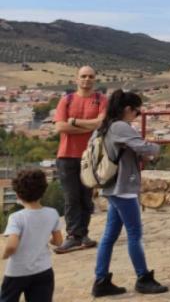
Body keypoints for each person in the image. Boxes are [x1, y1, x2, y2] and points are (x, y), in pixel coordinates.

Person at [91, 89, 168, 296]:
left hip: (111, 186)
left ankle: (101, 280)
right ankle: (143, 277)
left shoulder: (106, 125)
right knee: (135, 233)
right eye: (137, 111)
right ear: (127, 109)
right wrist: (156, 147)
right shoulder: (120, 126)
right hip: (123, 187)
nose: (138, 116)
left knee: (110, 235)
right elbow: (146, 148)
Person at [52, 65, 107, 253]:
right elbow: (60, 127)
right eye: (83, 76)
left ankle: (82, 234)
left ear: (95, 79)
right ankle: (73, 235)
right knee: (71, 197)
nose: (87, 79)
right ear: (76, 79)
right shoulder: (66, 100)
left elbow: (102, 123)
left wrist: (74, 122)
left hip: (90, 156)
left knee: (86, 198)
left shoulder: (101, 99)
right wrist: (89, 128)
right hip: (67, 155)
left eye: (91, 76)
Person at [2, 169, 62, 302]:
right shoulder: (52, 213)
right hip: (43, 270)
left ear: (17, 194)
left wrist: (4, 255)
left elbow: (12, 246)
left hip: (17, 272)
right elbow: (58, 241)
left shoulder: (16, 217)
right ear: (43, 191)